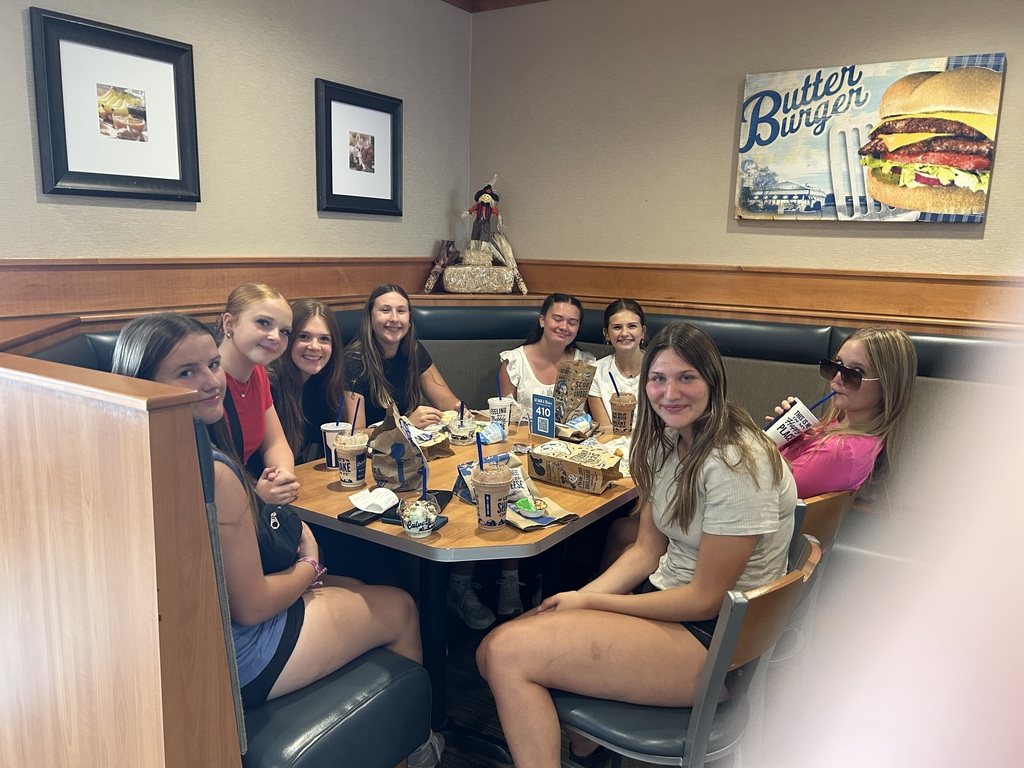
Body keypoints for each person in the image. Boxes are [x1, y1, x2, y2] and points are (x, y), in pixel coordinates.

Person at [110, 313, 443, 767]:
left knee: (360, 591)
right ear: (142, 381)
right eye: (186, 373)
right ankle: (416, 753)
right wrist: (309, 563)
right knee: (402, 606)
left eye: (211, 365)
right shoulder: (215, 471)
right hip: (236, 656)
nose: (211, 382)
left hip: (182, 644)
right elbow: (251, 606)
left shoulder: (121, 448)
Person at [477, 322, 795, 768]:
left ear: (712, 381)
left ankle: (585, 749)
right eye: (658, 379)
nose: (670, 392)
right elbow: (647, 550)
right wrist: (584, 598)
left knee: (507, 654)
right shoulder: (667, 440)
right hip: (668, 602)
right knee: (489, 648)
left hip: (717, 642)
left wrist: (600, 606)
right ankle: (587, 749)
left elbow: (705, 599)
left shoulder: (737, 460)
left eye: (687, 377)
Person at [768, 325, 917, 498]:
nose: (837, 378)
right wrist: (782, 436)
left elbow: (766, 493)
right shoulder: (835, 425)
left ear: (887, 386)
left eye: (856, 372)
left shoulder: (844, 452)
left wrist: (763, 446)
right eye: (837, 365)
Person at [217, 283, 299, 506]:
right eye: (263, 323)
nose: (275, 337)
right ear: (229, 323)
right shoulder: (206, 383)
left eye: (284, 331)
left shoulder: (259, 374)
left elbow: (276, 444)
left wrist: (281, 479)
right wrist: (255, 497)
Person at [342, 283, 464, 430]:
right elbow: (355, 435)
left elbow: (444, 399)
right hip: (371, 452)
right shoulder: (352, 361)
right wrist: (404, 425)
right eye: (385, 310)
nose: (394, 318)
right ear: (370, 316)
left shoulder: (413, 350)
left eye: (401, 311)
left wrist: (459, 410)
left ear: (409, 319)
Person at [268, 299, 347, 464]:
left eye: (324, 339)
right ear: (288, 340)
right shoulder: (269, 385)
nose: (315, 346)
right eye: (304, 336)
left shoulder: (325, 383)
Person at [498, 292, 596, 417]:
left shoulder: (586, 364)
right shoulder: (513, 363)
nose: (564, 327)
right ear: (542, 320)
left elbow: (589, 420)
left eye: (572, 323)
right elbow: (505, 418)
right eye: (557, 319)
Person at [587, 298, 647, 426]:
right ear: (607, 334)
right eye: (617, 327)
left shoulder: (661, 370)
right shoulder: (595, 372)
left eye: (632, 326)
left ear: (642, 332)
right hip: (612, 444)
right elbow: (606, 431)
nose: (624, 333)